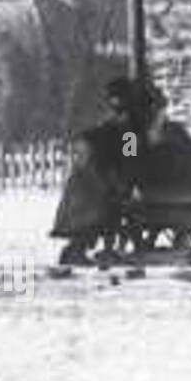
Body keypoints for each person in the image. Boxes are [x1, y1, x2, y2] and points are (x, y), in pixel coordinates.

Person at [51, 77, 142, 263]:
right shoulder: (127, 127)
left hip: (97, 172)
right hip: (99, 174)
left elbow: (126, 153)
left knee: (101, 212)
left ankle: (89, 249)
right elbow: (129, 155)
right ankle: (93, 249)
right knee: (105, 212)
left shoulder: (116, 124)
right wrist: (125, 180)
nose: (115, 101)